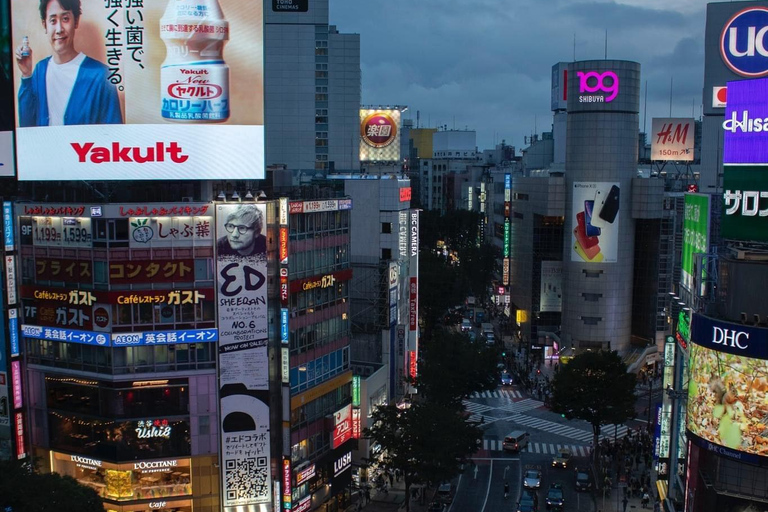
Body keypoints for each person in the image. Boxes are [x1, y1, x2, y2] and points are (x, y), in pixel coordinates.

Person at [16, 0, 123, 126]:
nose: (59, 29)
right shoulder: (41, 69)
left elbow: (114, 136)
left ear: (76, 22)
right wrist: (27, 75)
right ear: (45, 25)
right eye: (53, 21)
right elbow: (27, 127)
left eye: (65, 19)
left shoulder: (102, 76)